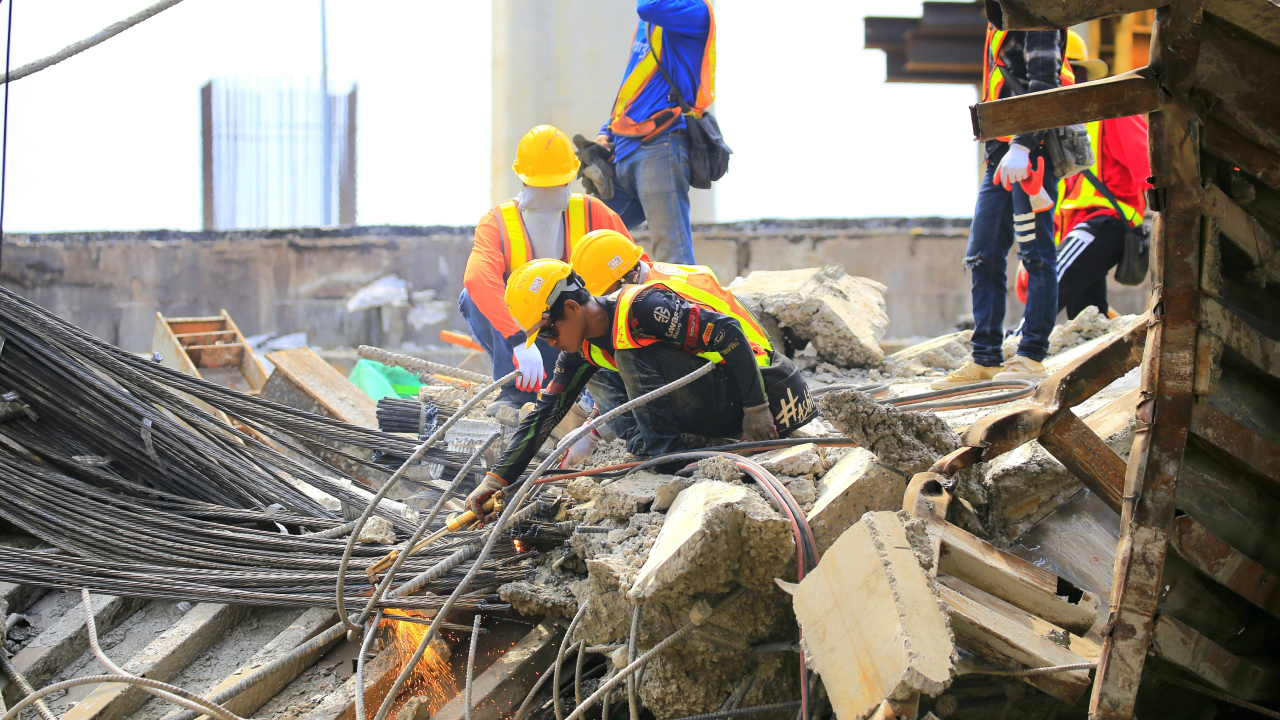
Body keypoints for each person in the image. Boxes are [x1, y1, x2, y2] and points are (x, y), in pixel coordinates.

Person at [463, 258, 815, 517]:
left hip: (756, 395)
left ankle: (667, 454)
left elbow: (730, 334)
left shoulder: (644, 309)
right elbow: (545, 414)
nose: (550, 343)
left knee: (628, 350)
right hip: (709, 402)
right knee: (594, 365)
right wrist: (496, 480)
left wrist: (756, 408)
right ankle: (649, 447)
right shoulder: (582, 347)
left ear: (571, 307)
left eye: (549, 332)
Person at [931, 23, 1076, 390]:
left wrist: (1025, 144)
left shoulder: (1036, 16)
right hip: (1000, 158)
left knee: (1037, 255)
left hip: (1030, 156)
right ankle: (985, 358)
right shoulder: (1000, 22)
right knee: (983, 255)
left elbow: (1045, 82)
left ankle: (1031, 356)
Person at [459, 125, 633, 414]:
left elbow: (635, 274)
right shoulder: (499, 222)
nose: (548, 193)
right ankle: (517, 389)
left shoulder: (596, 213)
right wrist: (518, 341)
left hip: (585, 345)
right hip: (529, 347)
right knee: (472, 297)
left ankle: (591, 391)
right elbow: (477, 280)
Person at [1014, 33, 1149, 320]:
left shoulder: (1113, 111)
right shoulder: (1057, 132)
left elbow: (1148, 169)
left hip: (1105, 222)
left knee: (1045, 290)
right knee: (1088, 318)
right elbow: (1062, 204)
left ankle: (1018, 348)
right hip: (1083, 228)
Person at [592, 0, 715, 265]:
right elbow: (633, 83)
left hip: (660, 144)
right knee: (588, 241)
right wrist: (608, 131)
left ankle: (687, 306)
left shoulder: (694, 11)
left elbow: (648, 5)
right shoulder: (650, 23)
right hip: (624, 149)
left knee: (673, 255)